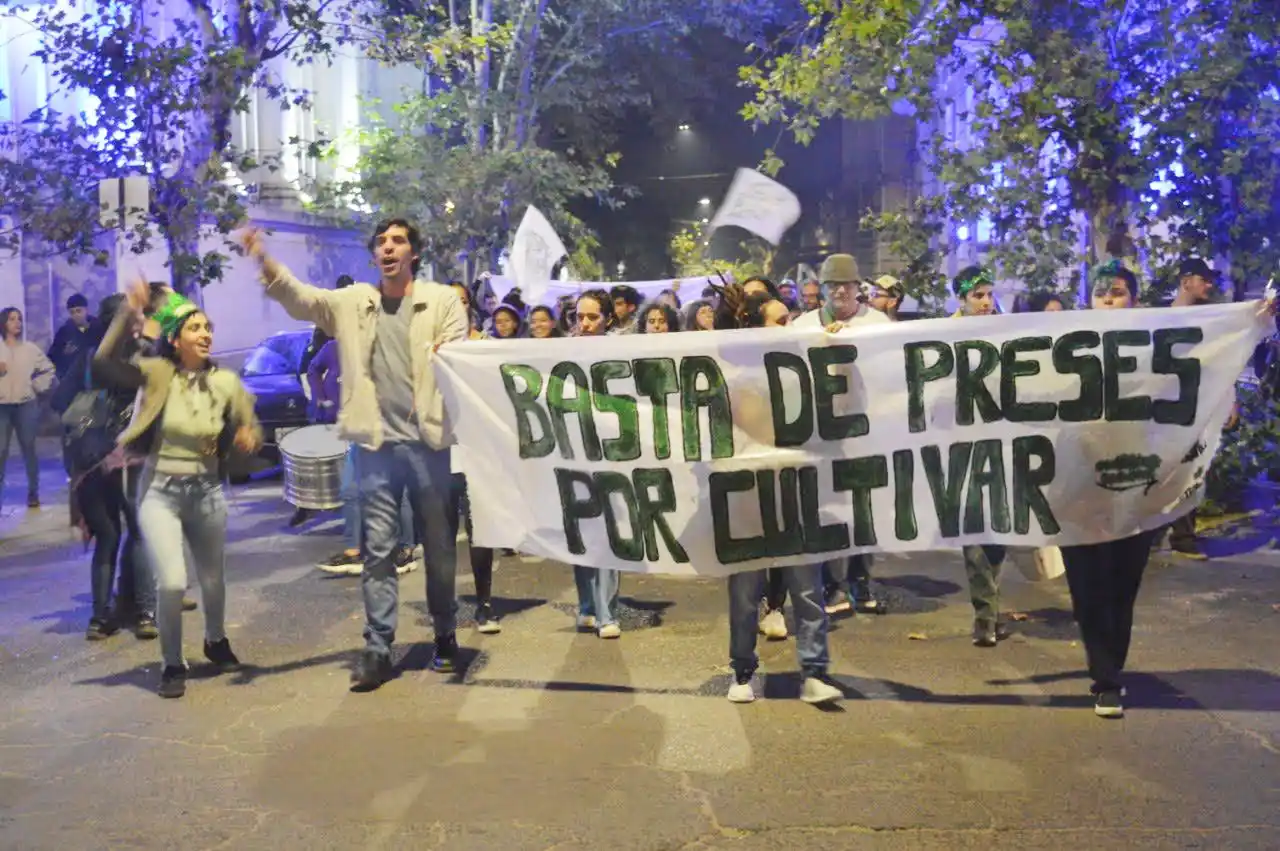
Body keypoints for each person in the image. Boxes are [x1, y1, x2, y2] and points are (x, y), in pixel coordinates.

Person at [241, 219, 467, 692]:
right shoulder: (354, 303)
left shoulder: (441, 300)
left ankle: (445, 635)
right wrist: (263, 260)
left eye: (398, 241)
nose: (388, 248)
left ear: (414, 254)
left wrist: (455, 352)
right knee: (378, 552)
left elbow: (460, 358)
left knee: (441, 551)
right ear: (374, 257)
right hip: (374, 447)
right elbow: (302, 299)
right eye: (382, 243)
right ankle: (378, 647)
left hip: (428, 446)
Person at [94, 281, 262, 699]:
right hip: (160, 492)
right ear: (175, 338)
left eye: (208, 328)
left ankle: (216, 639)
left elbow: (250, 426)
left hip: (206, 491)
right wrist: (125, 314)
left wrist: (248, 437)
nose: (205, 334)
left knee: (213, 579)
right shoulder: (156, 373)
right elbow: (103, 362)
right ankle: (172, 663)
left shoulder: (226, 381)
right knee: (171, 582)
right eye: (195, 328)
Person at [713, 281, 843, 706]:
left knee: (807, 587)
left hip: (797, 489)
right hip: (748, 498)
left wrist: (840, 357)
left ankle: (814, 672)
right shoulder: (731, 376)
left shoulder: (806, 365)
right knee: (745, 592)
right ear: (757, 329)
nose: (792, 325)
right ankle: (742, 671)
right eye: (782, 320)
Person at [1057, 262, 1157, 717]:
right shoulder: (1066, 345)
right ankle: (1105, 672)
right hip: (1079, 485)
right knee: (1087, 584)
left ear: (1133, 298)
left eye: (1117, 293)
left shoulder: (1157, 344)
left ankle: (1109, 672)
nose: (1109, 300)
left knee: (1121, 582)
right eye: (1101, 294)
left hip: (1136, 485)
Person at [51, 294, 158, 641]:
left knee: (107, 538)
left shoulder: (85, 358)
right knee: (140, 533)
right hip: (128, 457)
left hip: (90, 461)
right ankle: (145, 613)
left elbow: (58, 402)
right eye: (136, 317)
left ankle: (99, 619)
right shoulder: (140, 359)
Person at [949, 265, 1007, 647]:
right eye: (978, 296)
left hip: (1004, 442)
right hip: (962, 444)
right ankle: (985, 615)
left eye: (989, 294)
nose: (986, 303)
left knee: (1000, 528)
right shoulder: (942, 335)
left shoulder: (1009, 331)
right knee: (974, 528)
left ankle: (991, 606)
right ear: (961, 299)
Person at [570, 289, 624, 638]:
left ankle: (608, 613)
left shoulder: (621, 353)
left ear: (608, 318)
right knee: (579, 530)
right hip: (571, 451)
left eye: (593, 317)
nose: (586, 324)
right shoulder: (563, 353)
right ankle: (587, 605)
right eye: (581, 317)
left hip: (610, 452)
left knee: (609, 531)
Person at [1164, 257, 1221, 560]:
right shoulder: (1159, 320)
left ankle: (1183, 535)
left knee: (1192, 468)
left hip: (1196, 405)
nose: (1210, 285)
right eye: (1204, 279)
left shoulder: (1209, 320)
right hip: (1166, 408)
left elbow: (1219, 360)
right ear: (1187, 282)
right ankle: (1165, 534)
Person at [0, 307, 56, 510]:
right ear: (3, 323)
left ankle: (33, 492)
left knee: (29, 449)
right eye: (12, 319)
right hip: (2, 407)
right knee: (1, 452)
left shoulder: (30, 349)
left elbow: (48, 370)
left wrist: (36, 386)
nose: (17, 323)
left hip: (26, 405)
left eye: (19, 319)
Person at [47, 293, 97, 378]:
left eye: (79, 311)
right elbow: (52, 358)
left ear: (86, 310)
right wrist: (65, 353)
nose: (76, 315)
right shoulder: (64, 333)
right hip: (73, 380)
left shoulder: (98, 328)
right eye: (72, 312)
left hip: (97, 376)